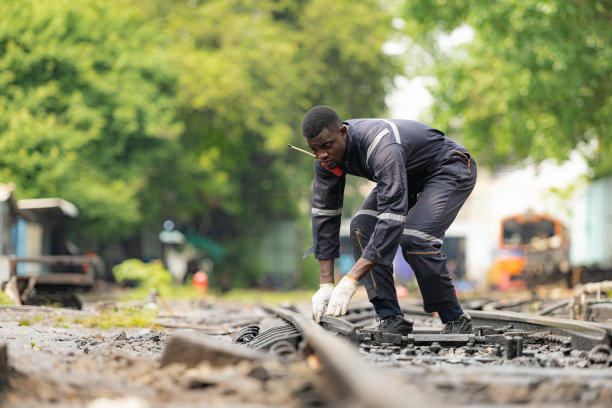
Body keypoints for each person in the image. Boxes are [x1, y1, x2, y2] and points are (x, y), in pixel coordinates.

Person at [303, 105, 476, 335]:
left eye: (327, 146)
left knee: (415, 239)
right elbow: (325, 215)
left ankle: (455, 318)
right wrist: (326, 284)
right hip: (405, 175)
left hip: (447, 166)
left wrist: (351, 279)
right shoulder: (325, 160)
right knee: (360, 229)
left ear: (343, 132)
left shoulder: (381, 145)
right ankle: (390, 317)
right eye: (314, 149)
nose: (321, 155)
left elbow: (390, 218)